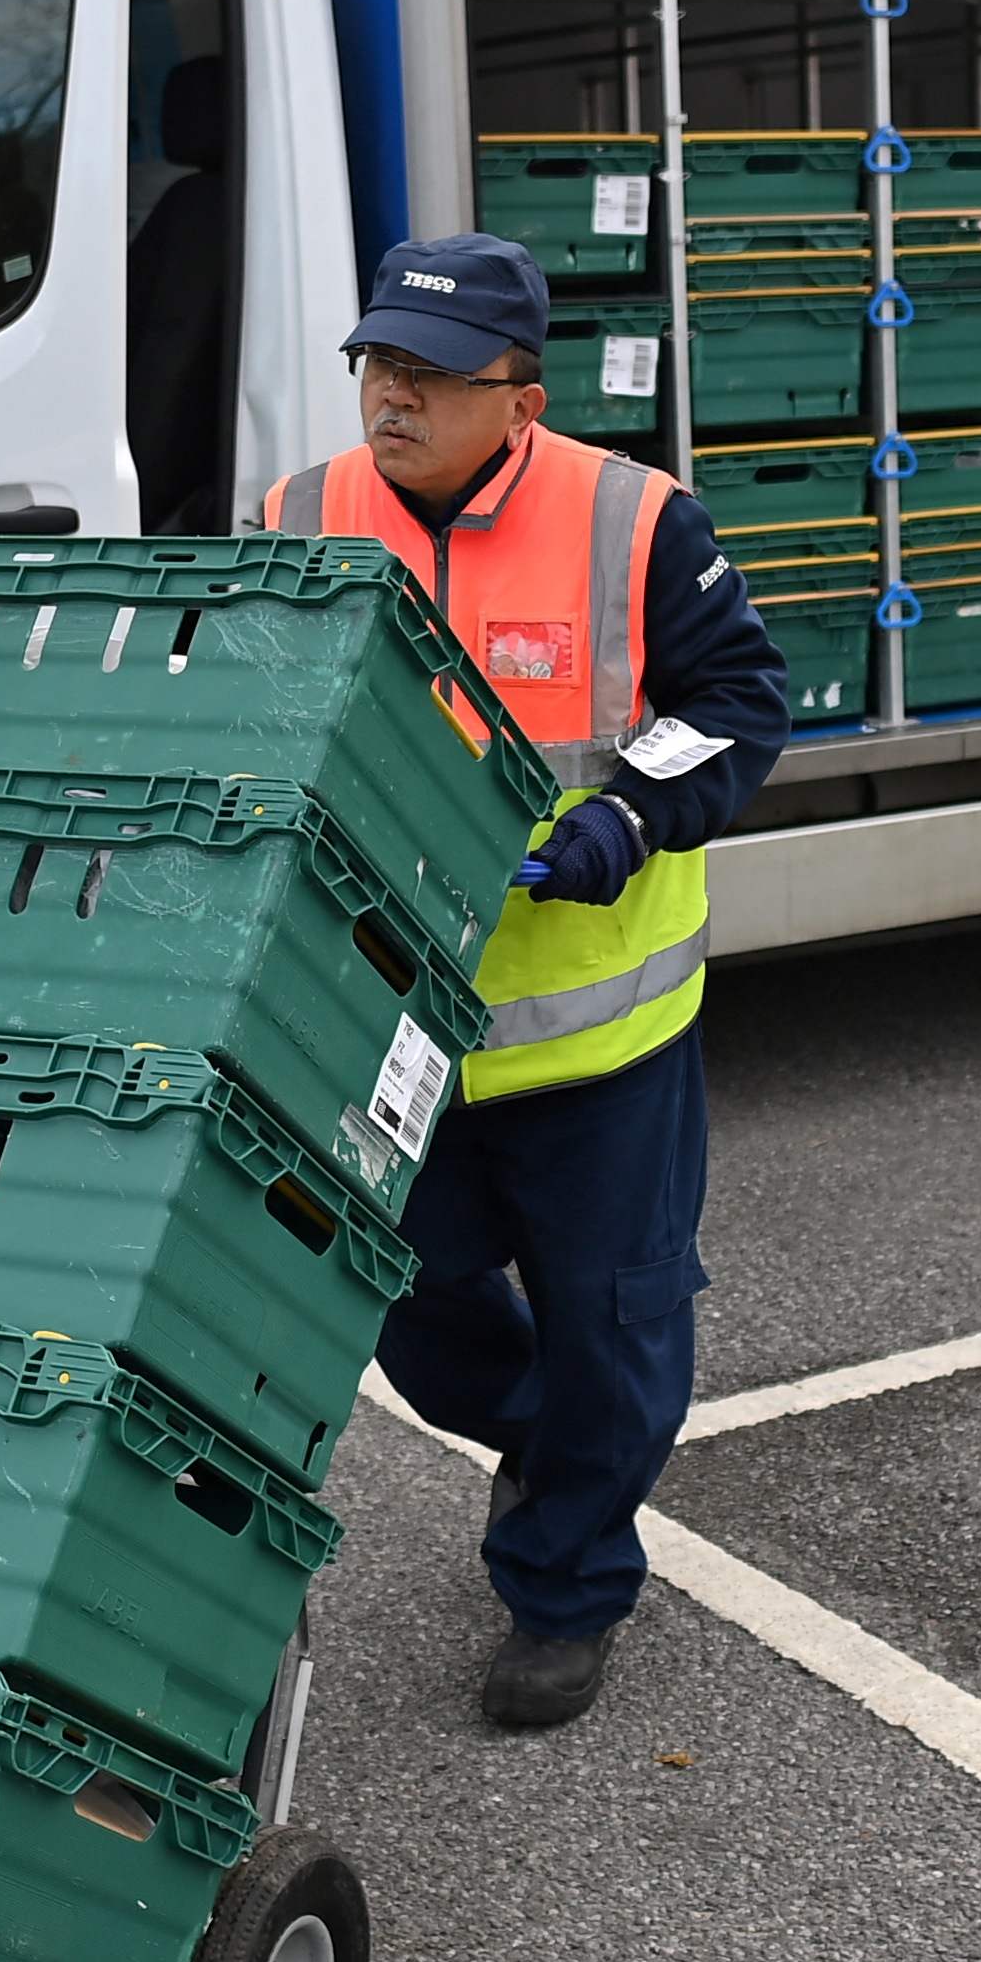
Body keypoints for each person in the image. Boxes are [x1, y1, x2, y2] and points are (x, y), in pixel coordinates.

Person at [262, 233, 791, 1729]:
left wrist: (625, 814)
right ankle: (564, 1445)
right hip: (392, 1022)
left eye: (432, 377)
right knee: (413, 1303)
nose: (393, 400)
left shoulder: (634, 521)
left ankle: (562, 1588)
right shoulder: (298, 515)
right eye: (378, 366)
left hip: (595, 1041)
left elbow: (739, 706)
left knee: (611, 1315)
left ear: (522, 398)